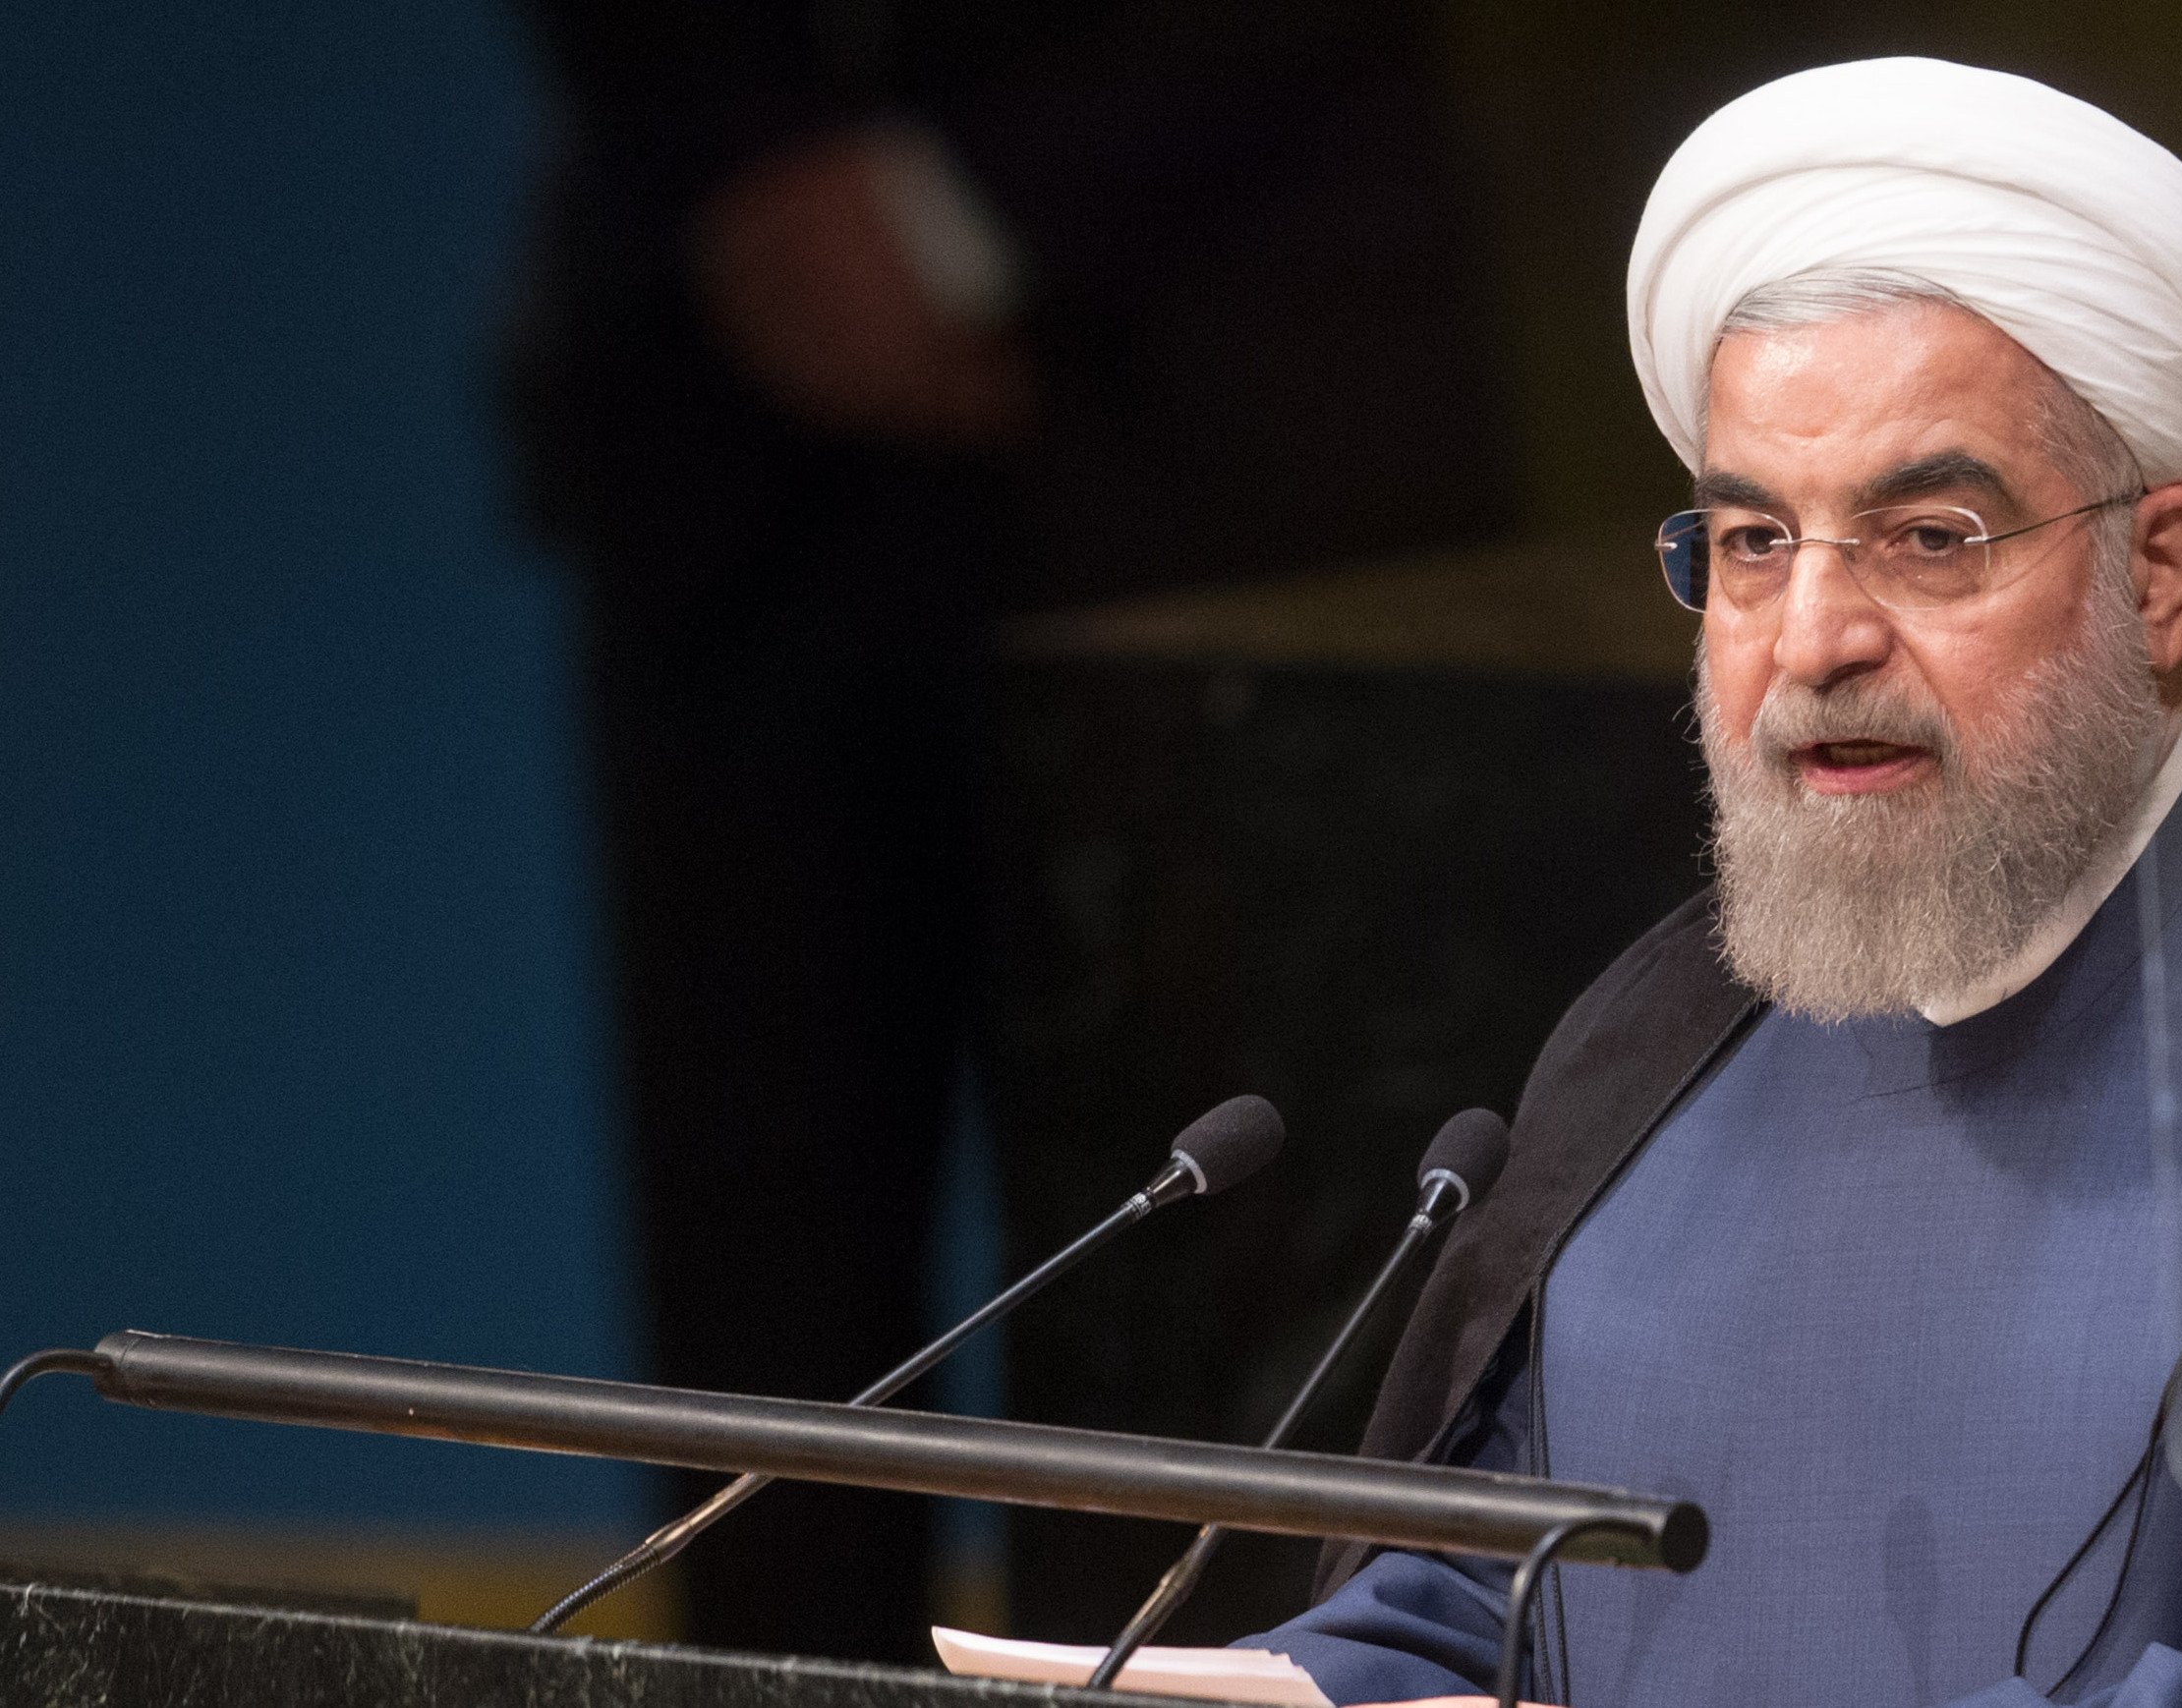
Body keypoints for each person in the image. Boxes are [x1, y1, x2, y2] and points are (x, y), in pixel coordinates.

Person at [1236, 58, 2182, 1707]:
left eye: (1928, 536)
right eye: (1752, 541)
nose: (1814, 640)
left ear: (2159, 569)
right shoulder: (1653, 1036)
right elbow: (1483, 1592)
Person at [500, 1, 1508, 1660]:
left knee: (1213, 1287)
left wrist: (956, 208)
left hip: (1212, 418)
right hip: (722, 427)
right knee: (759, 1304)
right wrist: (750, 162)